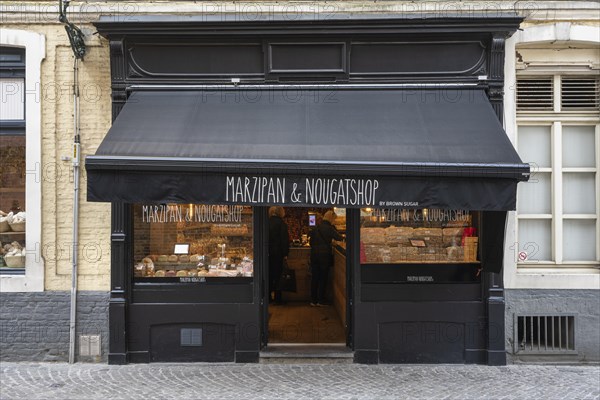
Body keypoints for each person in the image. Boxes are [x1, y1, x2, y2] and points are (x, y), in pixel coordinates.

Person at [309, 210, 343, 306]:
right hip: (324, 256)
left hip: (314, 255)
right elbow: (339, 238)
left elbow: (311, 243)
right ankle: (321, 300)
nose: (334, 221)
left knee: (315, 277)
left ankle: (313, 300)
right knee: (323, 277)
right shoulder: (329, 228)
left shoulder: (316, 227)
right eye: (334, 219)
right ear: (331, 218)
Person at [268, 206, 289, 305]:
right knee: (278, 276)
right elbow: (284, 240)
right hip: (277, 254)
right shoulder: (281, 223)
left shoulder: (266, 222)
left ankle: (268, 297)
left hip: (267, 253)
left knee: (268, 275)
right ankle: (277, 298)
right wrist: (285, 254)